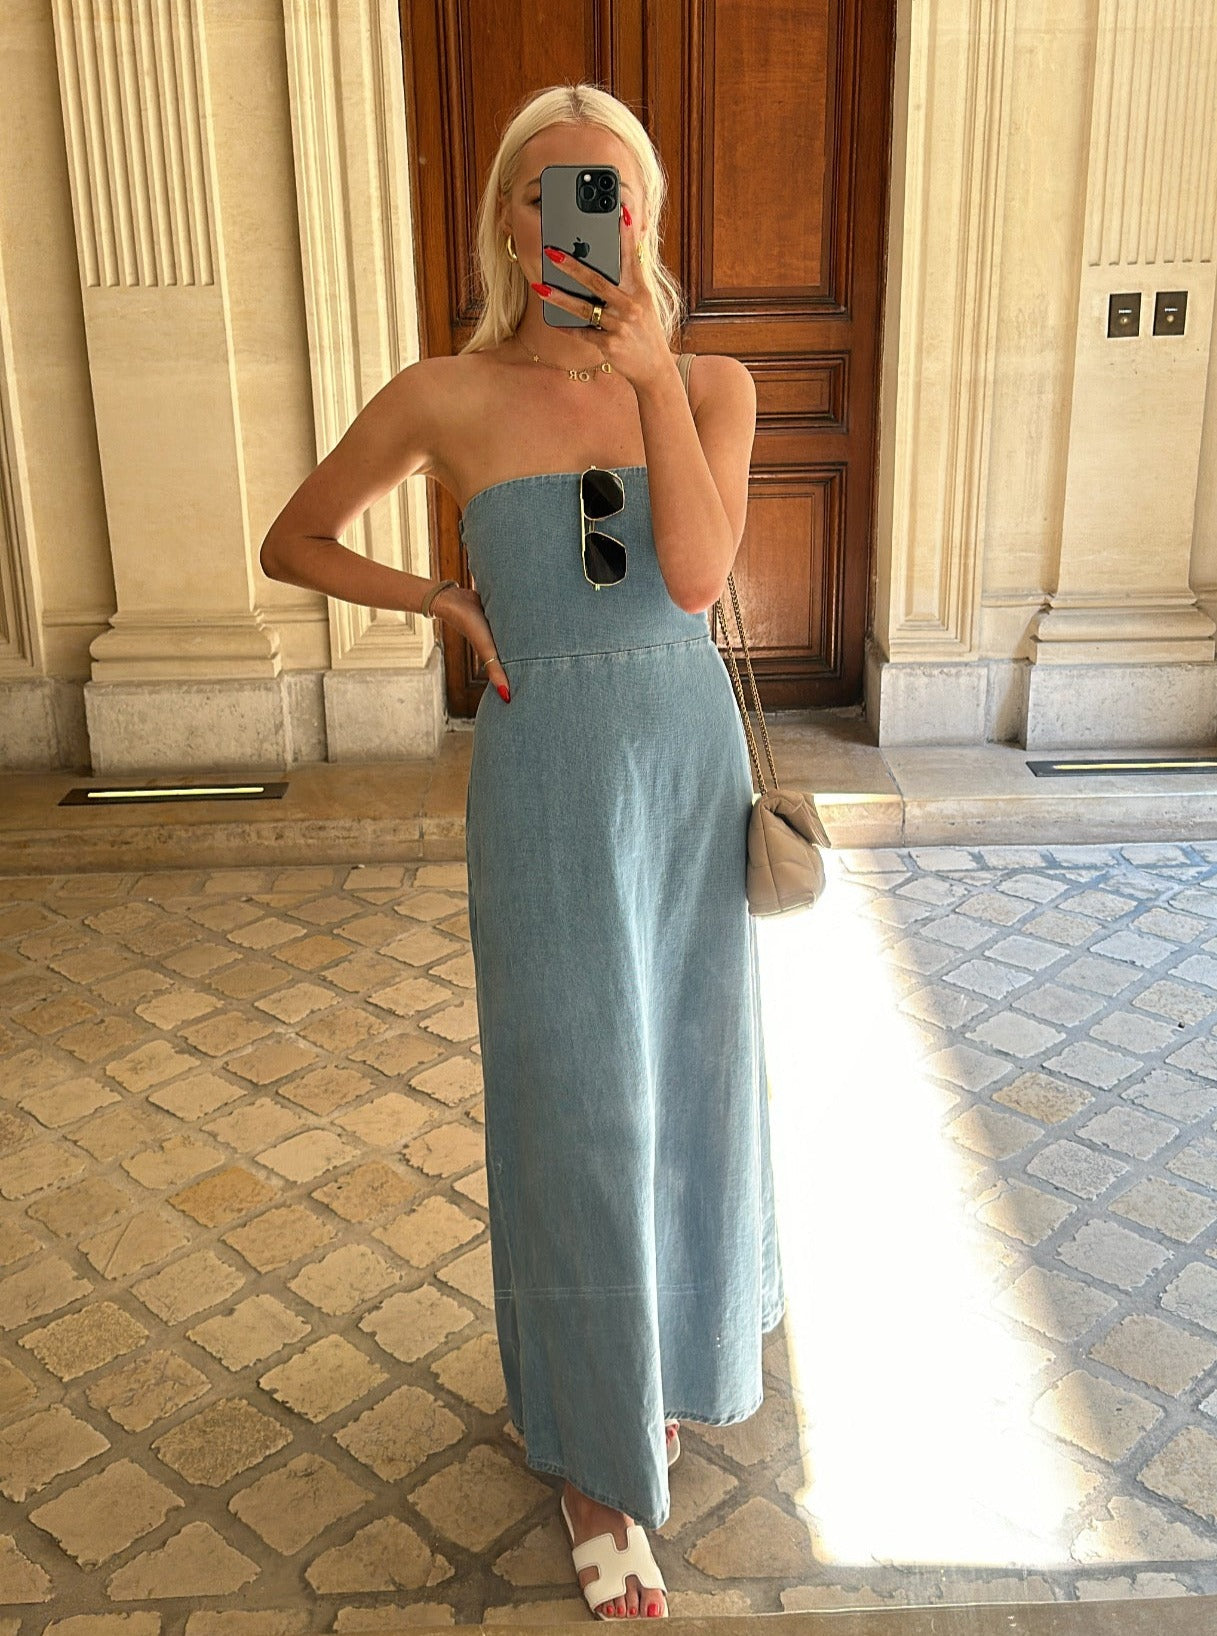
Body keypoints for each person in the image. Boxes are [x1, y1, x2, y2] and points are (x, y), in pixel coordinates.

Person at [260, 81, 784, 1622]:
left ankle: (658, 1368)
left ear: (650, 216)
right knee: (572, 1111)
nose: (584, 220)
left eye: (611, 192)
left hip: (681, 770)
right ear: (509, 218)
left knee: (685, 1084)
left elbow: (688, 577)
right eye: (556, 192)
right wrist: (437, 601)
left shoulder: (713, 385)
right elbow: (292, 537)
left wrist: (648, 380)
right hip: (545, 775)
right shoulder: (445, 396)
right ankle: (591, 1463)